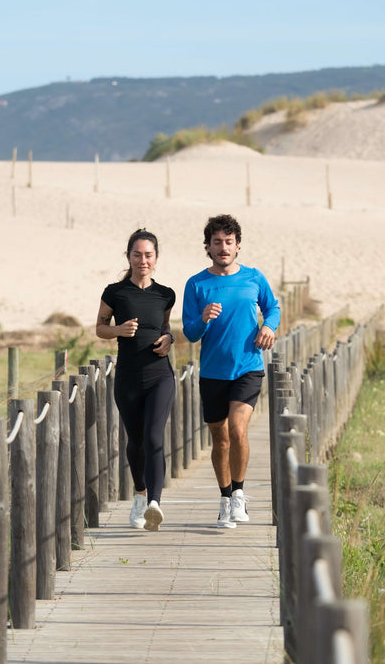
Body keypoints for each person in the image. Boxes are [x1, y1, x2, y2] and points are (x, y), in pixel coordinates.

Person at [182, 214, 280, 529]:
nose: (223, 247)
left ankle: (238, 494)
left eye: (229, 242)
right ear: (207, 247)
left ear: (238, 245)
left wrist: (269, 326)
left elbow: (273, 307)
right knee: (220, 439)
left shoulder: (253, 277)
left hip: (247, 367)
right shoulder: (196, 284)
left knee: (238, 431)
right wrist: (204, 318)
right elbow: (190, 332)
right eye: (217, 242)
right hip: (212, 372)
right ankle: (225, 499)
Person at [95, 228, 176, 532]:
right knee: (136, 441)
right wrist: (118, 331)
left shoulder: (166, 294)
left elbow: (165, 325)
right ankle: (140, 495)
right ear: (128, 256)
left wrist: (168, 338)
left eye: (148, 255)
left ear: (156, 258)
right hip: (128, 377)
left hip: (160, 376)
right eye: (137, 254)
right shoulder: (114, 292)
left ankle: (155, 503)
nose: (143, 260)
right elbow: (100, 327)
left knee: (154, 437)